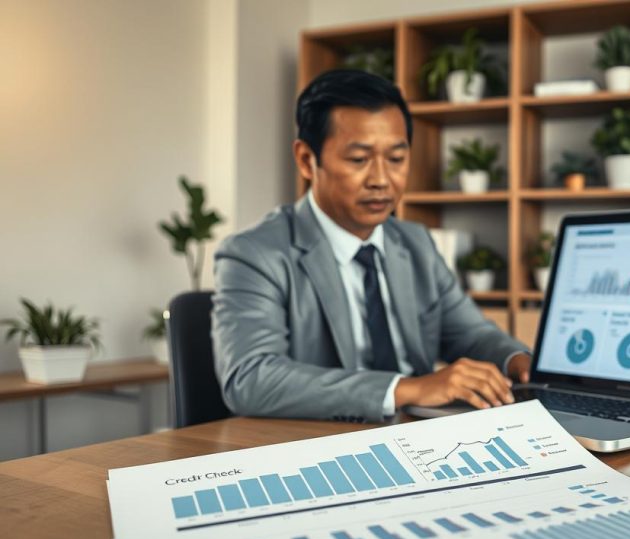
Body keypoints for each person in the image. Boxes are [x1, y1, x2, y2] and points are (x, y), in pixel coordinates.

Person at [212, 69, 531, 422]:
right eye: (359, 160)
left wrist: (519, 361)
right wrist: (406, 389)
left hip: (420, 434)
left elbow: (470, 334)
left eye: (396, 159)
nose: (381, 180)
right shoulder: (254, 254)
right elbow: (251, 378)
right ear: (306, 159)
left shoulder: (416, 243)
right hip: (322, 441)